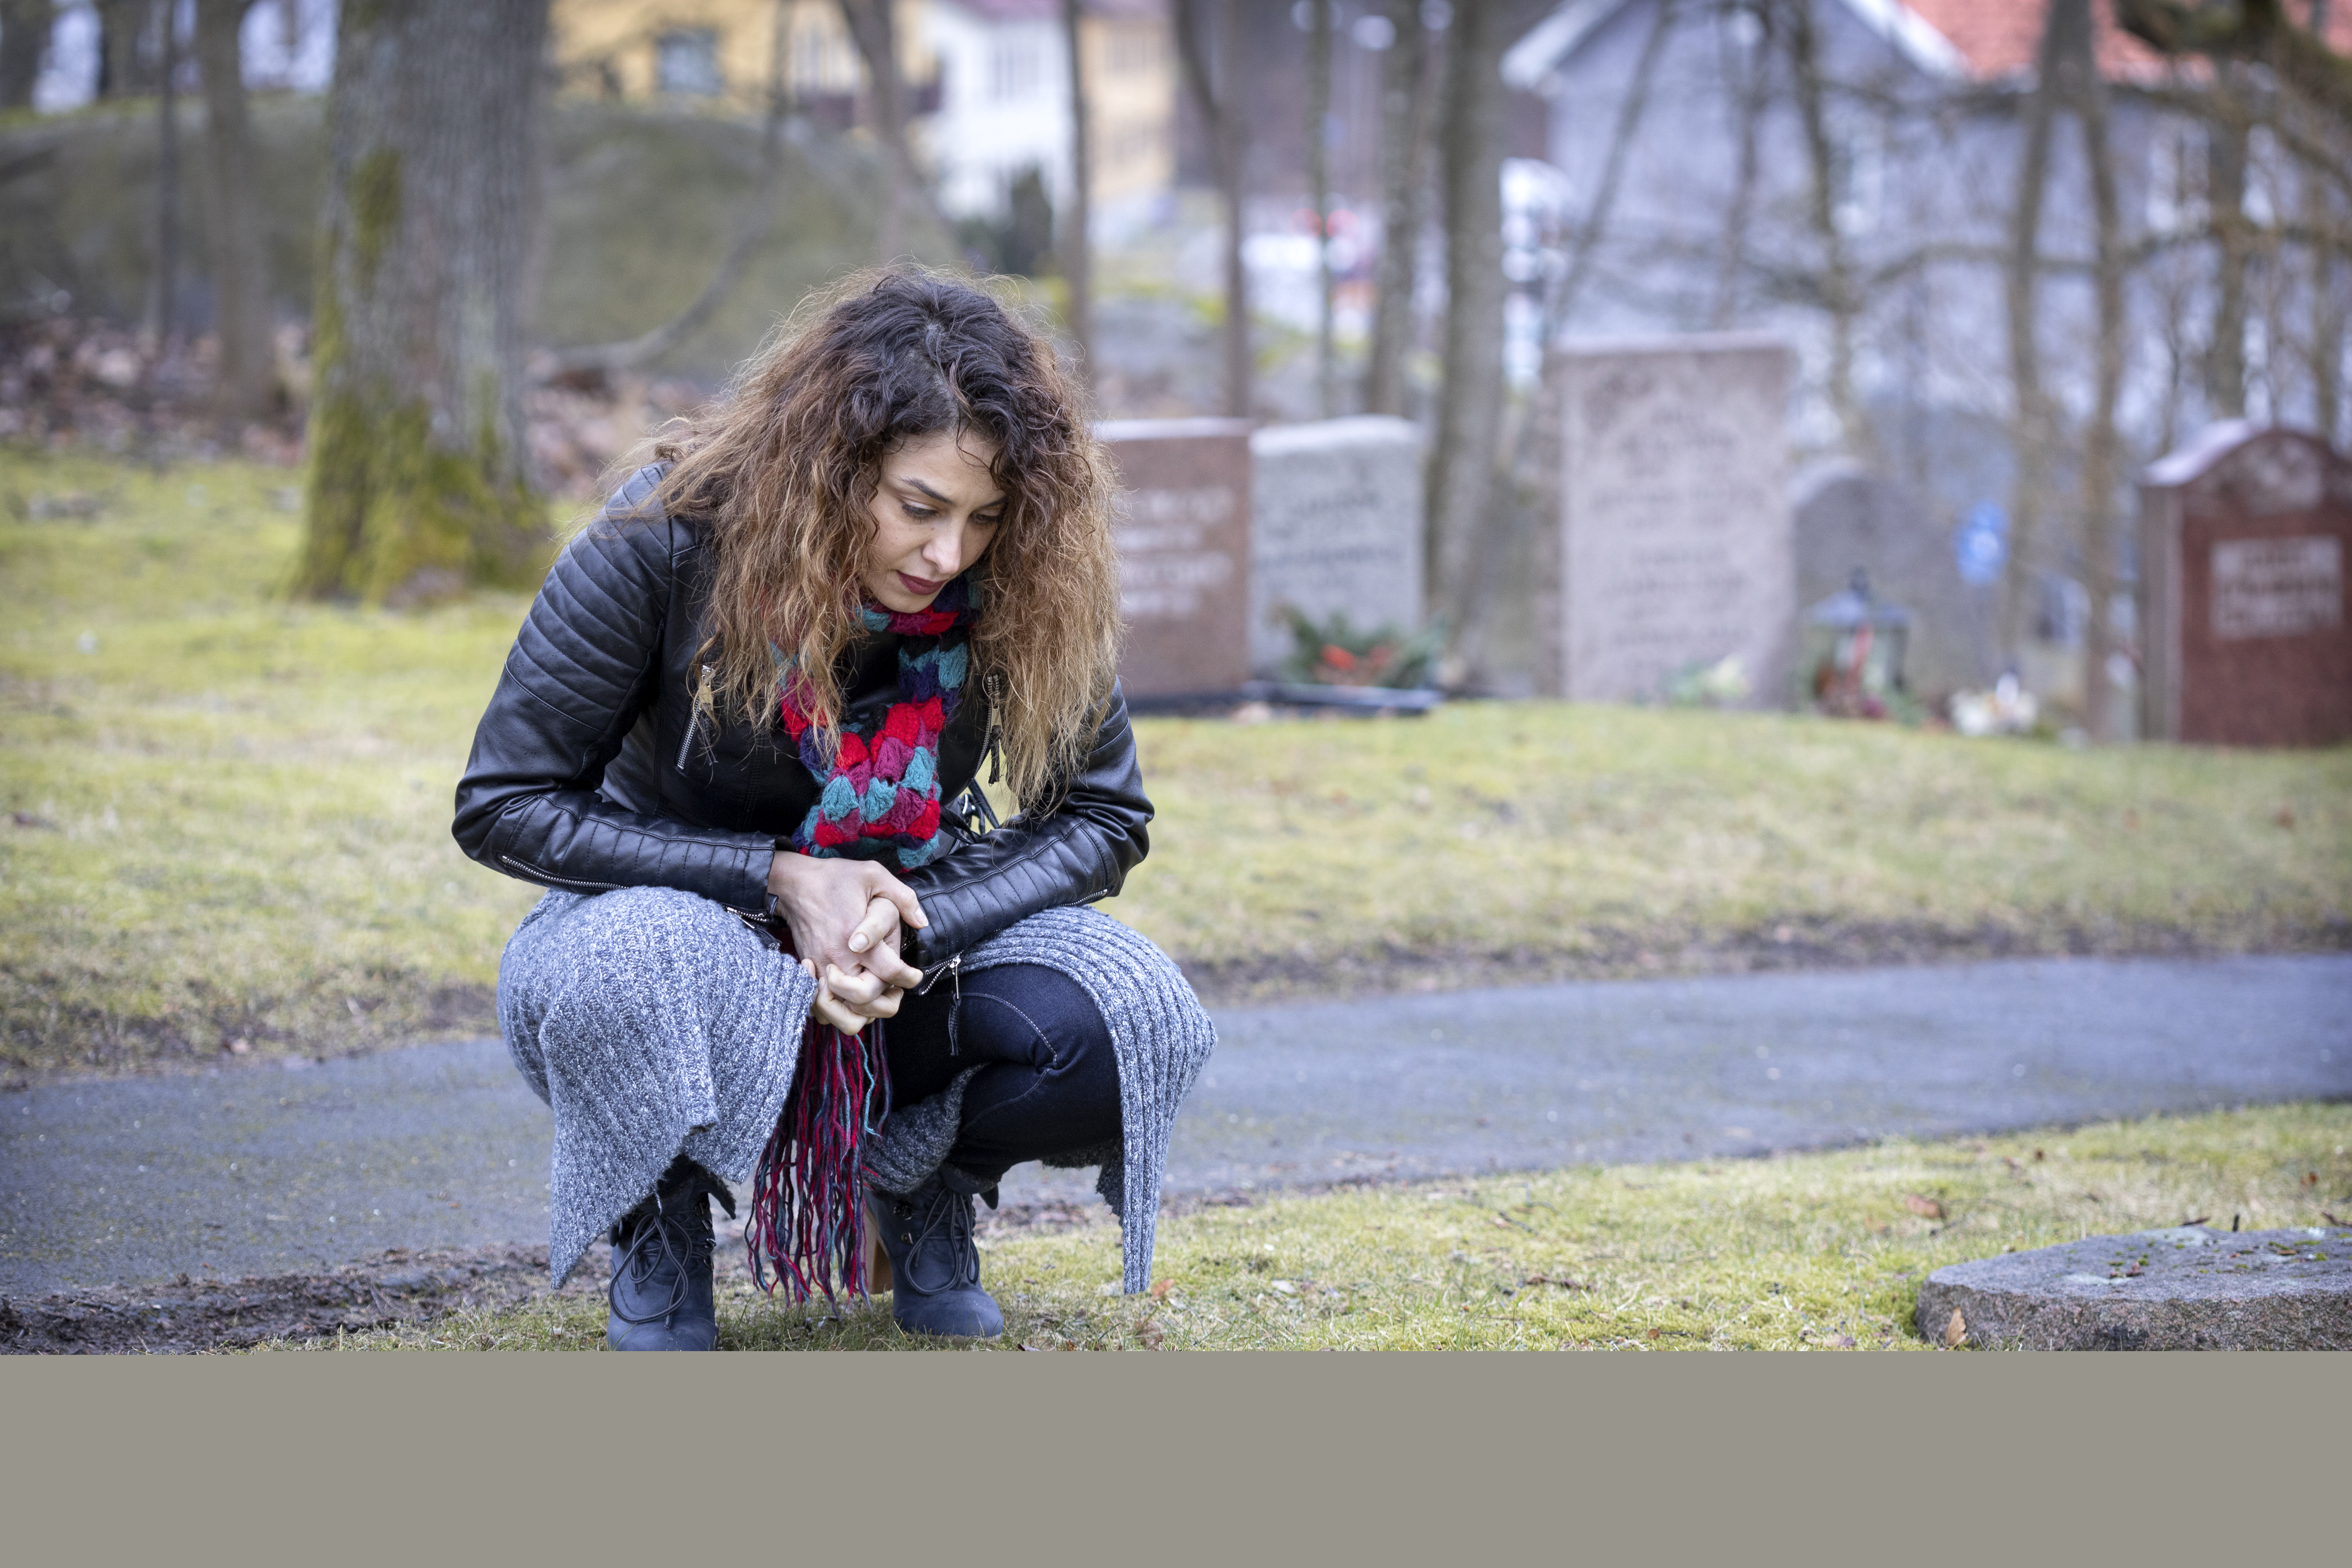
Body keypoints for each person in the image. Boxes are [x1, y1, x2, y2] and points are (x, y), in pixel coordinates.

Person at [453, 270, 1215, 1350]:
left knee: (1133, 1019)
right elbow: (505, 805)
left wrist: (912, 915)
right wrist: (776, 876)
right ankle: (656, 1218)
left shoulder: (1020, 584)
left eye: (985, 516)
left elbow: (1102, 815)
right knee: (634, 960)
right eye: (919, 506)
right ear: (833, 465)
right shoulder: (663, 539)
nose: (948, 554)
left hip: (905, 941)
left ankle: (916, 1174)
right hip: (672, 929)